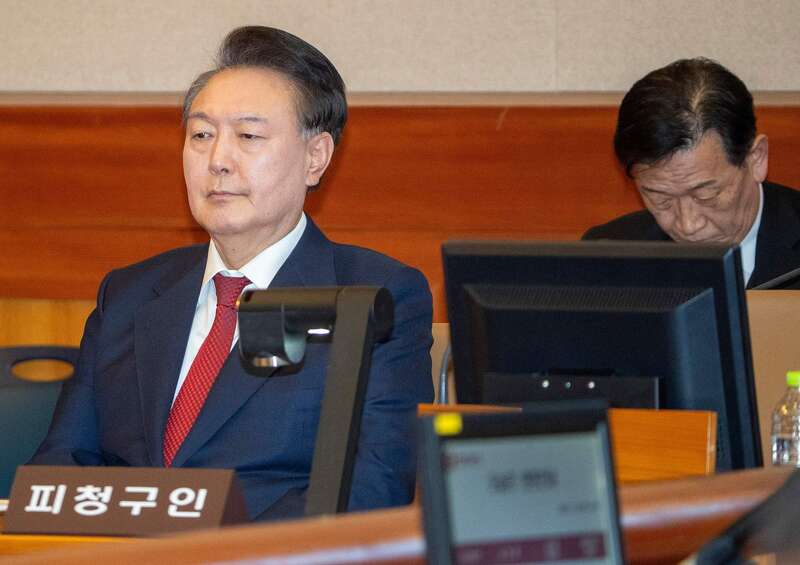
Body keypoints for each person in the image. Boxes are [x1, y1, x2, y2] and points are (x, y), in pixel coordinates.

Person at [31, 26, 434, 521]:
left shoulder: (374, 296)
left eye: (248, 136)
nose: (218, 161)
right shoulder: (129, 295)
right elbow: (61, 469)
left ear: (315, 157)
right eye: (201, 135)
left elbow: (373, 490)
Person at [583, 57, 800, 288]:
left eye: (705, 195)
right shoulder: (607, 258)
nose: (688, 225)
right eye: (661, 199)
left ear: (756, 159)